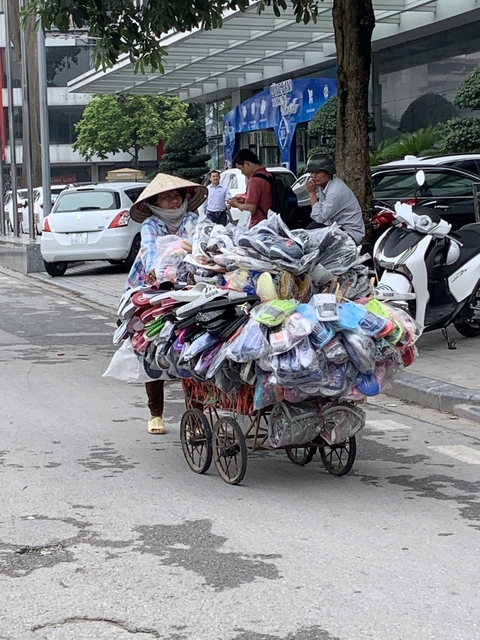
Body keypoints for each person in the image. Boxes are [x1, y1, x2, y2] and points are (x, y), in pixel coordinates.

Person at [125, 174, 207, 435]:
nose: (173, 201)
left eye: (177, 196)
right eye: (166, 197)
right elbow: (150, 252)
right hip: (152, 288)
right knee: (152, 346)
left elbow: (201, 247)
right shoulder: (151, 223)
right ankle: (155, 413)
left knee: (193, 346)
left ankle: (196, 416)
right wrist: (157, 271)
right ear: (156, 203)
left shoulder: (193, 220)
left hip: (190, 285)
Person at [305, 153, 365, 244]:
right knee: (307, 235)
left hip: (349, 233)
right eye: (311, 172)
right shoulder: (326, 186)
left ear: (328, 172)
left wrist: (312, 193)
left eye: (317, 172)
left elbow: (319, 218)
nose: (313, 176)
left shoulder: (335, 191)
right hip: (336, 227)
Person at [228, 149, 272, 227]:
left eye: (240, 168)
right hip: (270, 221)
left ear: (246, 164)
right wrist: (244, 200)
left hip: (259, 225)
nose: (241, 172)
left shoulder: (254, 180)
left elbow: (250, 209)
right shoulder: (268, 175)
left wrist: (236, 203)